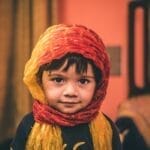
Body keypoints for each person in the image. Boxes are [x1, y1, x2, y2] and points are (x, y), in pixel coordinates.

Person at [10, 24, 122, 150]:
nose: (70, 92)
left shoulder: (107, 129)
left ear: (98, 85)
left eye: (83, 81)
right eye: (58, 79)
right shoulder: (29, 125)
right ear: (39, 81)